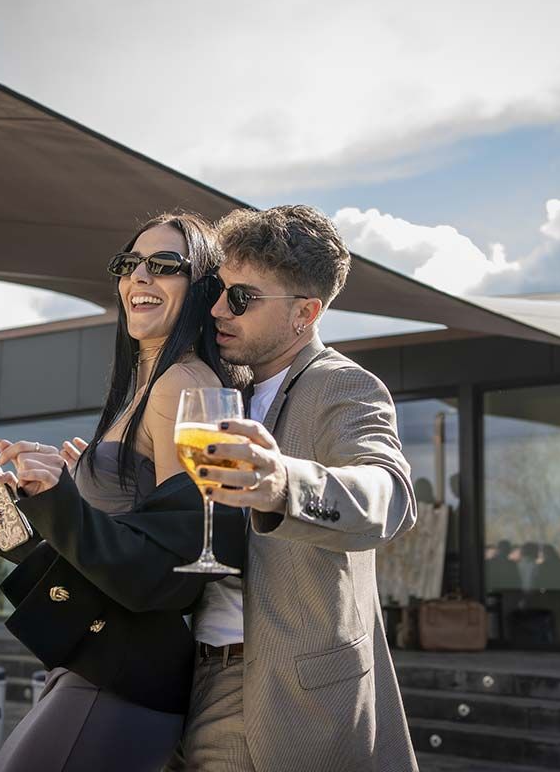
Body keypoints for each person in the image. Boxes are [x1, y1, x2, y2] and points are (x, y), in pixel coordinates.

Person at [0, 213, 247, 772]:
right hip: (97, 660)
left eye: (164, 265)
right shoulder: (140, 388)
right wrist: (25, 525)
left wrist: (62, 499)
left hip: (127, 675)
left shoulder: (184, 385)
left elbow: (182, 567)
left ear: (203, 287)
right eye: (129, 264)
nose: (139, 277)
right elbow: (120, 549)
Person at [178, 205, 419, 771]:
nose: (217, 308)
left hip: (280, 694)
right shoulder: (217, 386)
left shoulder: (345, 386)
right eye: (218, 289)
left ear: (304, 313)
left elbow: (389, 494)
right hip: (188, 675)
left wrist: (284, 482)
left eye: (241, 297)